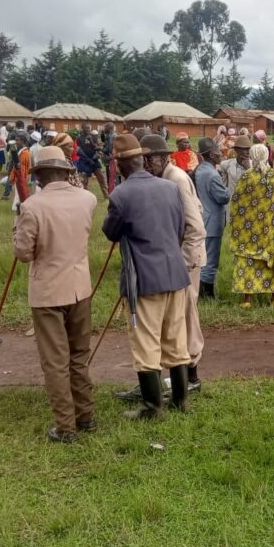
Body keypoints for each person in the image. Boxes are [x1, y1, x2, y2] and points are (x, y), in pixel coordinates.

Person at [12, 146, 98, 443]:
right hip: (79, 289)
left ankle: (65, 427)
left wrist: (17, 231)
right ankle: (85, 415)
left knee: (55, 361)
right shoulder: (88, 199)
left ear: (40, 176)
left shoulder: (33, 206)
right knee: (79, 355)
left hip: (48, 292)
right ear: (65, 172)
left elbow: (23, 253)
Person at [102, 134, 192, 418]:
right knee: (176, 339)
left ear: (120, 165)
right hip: (175, 274)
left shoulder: (120, 195)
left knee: (146, 342)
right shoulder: (169, 187)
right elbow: (180, 229)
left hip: (144, 280)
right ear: (141, 160)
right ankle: (180, 399)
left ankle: (153, 407)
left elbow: (111, 232)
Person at [230, 143, 274, 306]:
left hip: (248, 232)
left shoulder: (246, 178)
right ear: (267, 156)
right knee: (273, 259)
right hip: (271, 231)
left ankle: (247, 299)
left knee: (248, 261)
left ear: (252, 157)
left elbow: (237, 204)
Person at [193, 137, 230, 298]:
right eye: (218, 152)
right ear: (211, 154)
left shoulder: (200, 170)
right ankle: (206, 294)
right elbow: (223, 197)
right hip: (213, 222)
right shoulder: (212, 175)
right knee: (211, 259)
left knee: (204, 256)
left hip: (204, 219)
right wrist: (227, 187)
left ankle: (201, 291)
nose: (221, 154)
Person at [220, 134, 252, 208]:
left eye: (248, 149)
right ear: (236, 150)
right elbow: (223, 184)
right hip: (232, 205)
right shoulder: (227, 164)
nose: (247, 152)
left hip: (248, 206)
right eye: (244, 149)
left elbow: (257, 184)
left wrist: (248, 169)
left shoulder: (253, 165)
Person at [76, 126, 109, 199]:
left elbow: (97, 148)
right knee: (83, 181)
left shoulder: (93, 137)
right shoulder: (79, 139)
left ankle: (107, 195)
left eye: (88, 128)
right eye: (86, 128)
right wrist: (88, 160)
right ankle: (86, 197)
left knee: (101, 178)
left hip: (94, 161)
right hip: (84, 162)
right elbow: (78, 151)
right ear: (82, 129)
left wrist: (96, 156)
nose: (87, 129)